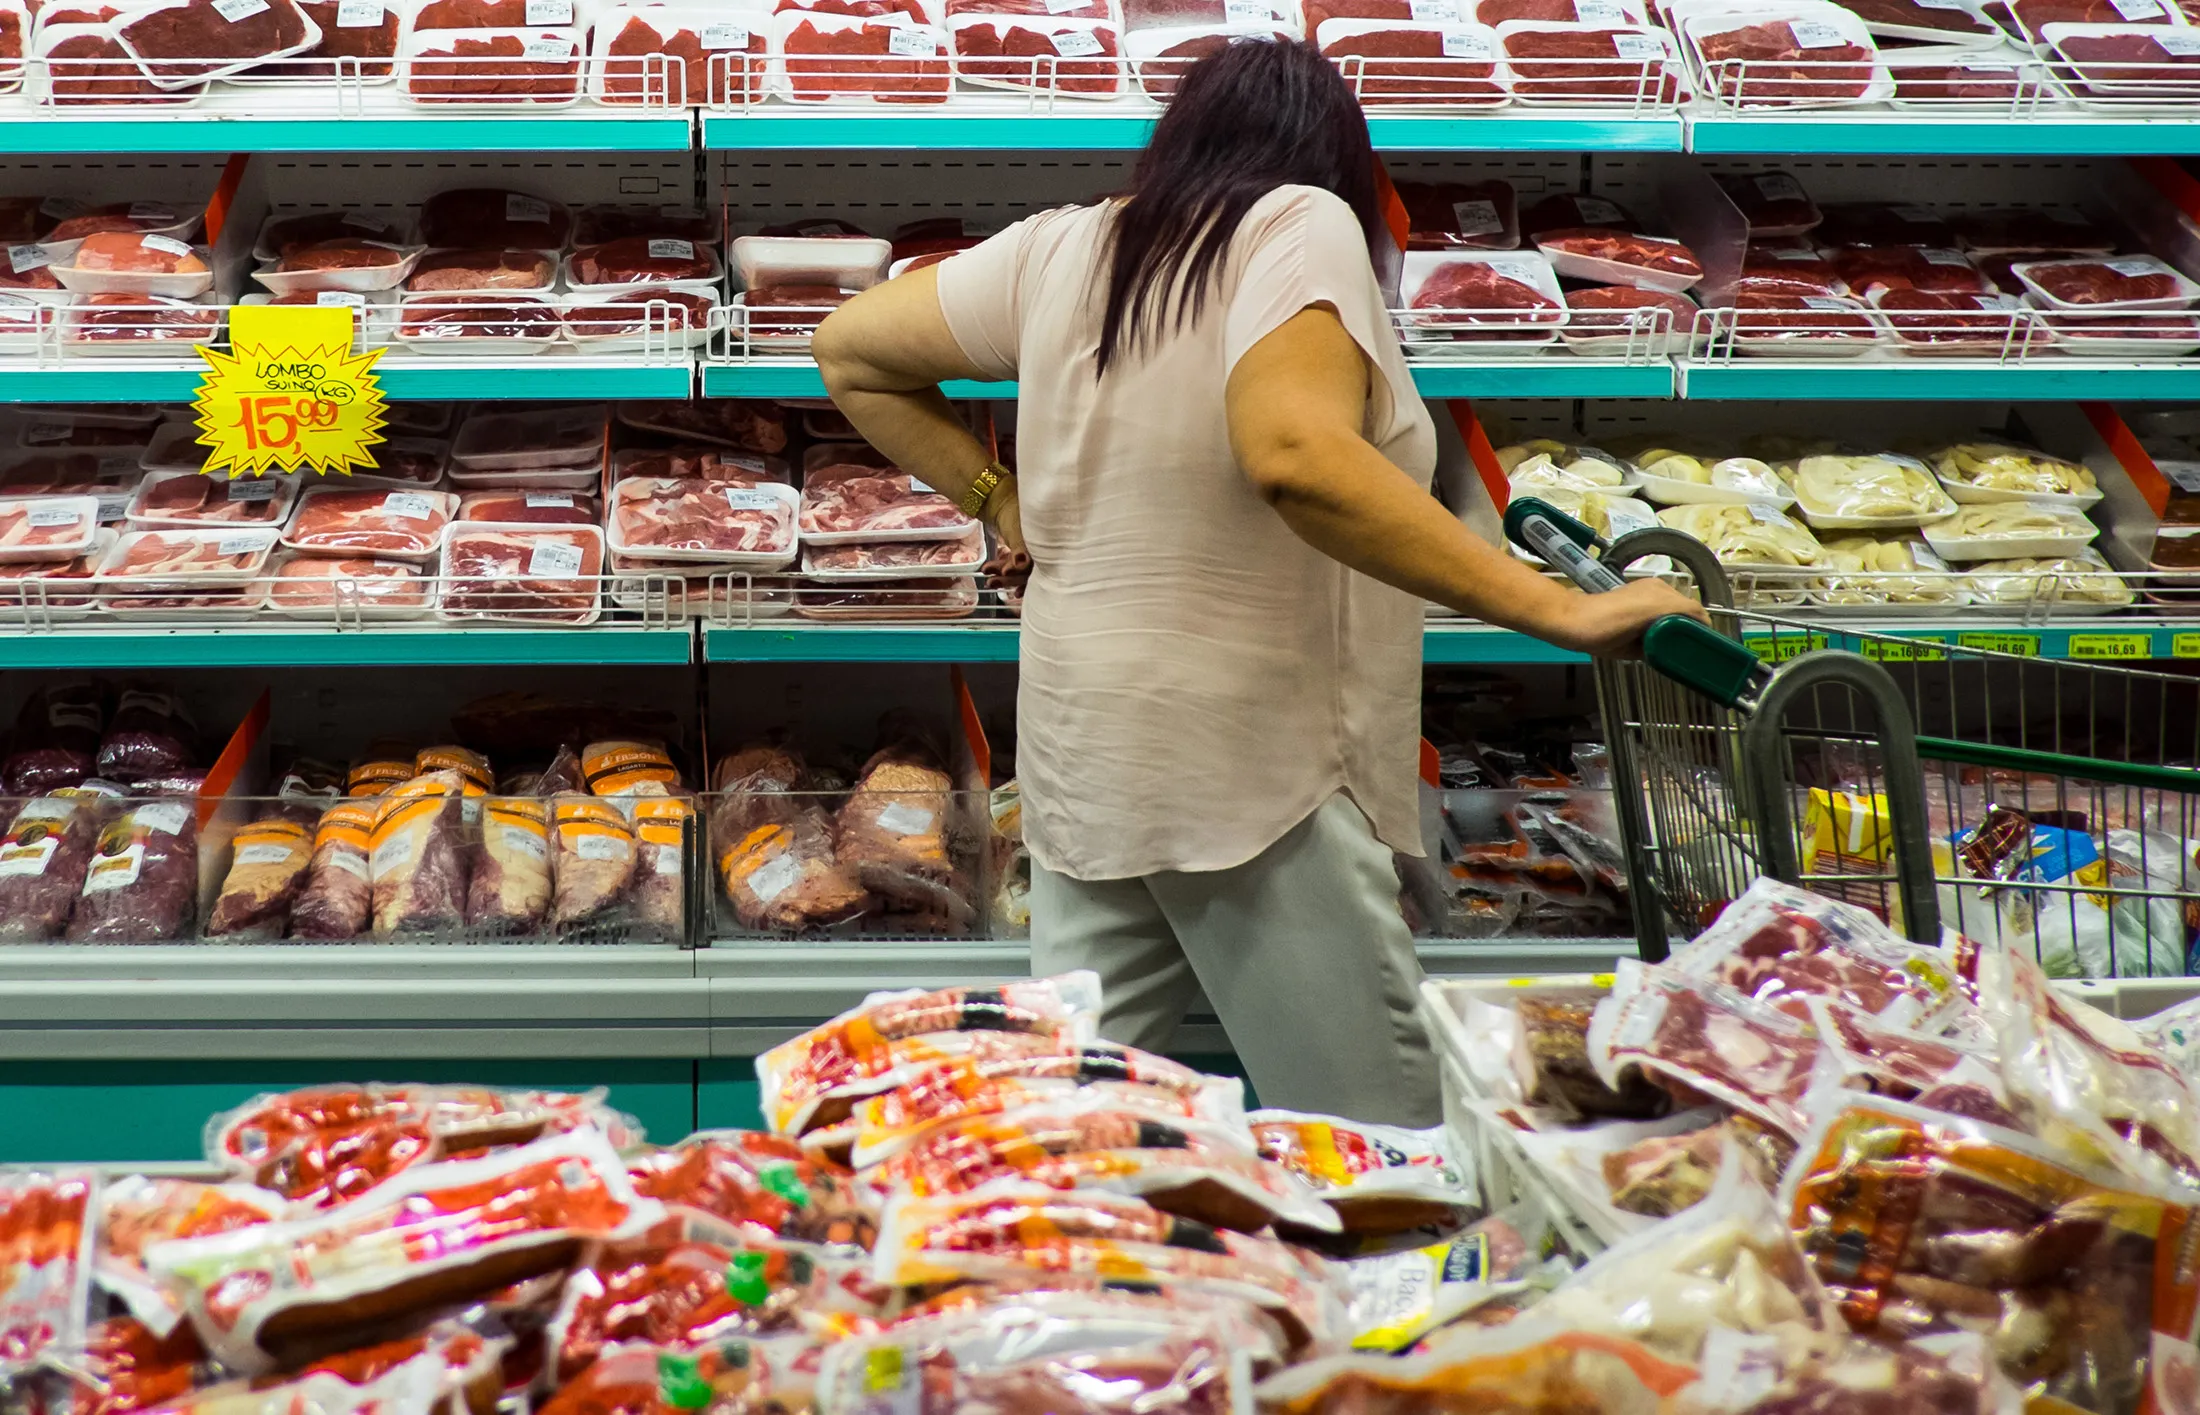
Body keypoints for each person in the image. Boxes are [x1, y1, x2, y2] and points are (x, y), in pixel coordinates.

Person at [811, 38, 1705, 1124]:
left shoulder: (1067, 246)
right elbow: (1292, 453)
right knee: (1384, 1139)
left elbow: (850, 348)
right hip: (1253, 772)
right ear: (1337, 157)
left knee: (1077, 1128)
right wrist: (1561, 608)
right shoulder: (1298, 222)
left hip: (1088, 753)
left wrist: (999, 497)